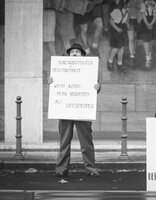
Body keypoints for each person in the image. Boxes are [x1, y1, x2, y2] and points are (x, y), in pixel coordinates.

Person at [49, 43, 101, 177]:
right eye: (72, 52)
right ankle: (62, 168)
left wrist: (97, 86)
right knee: (64, 141)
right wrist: (52, 81)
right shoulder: (62, 68)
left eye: (77, 51)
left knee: (86, 142)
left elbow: (96, 86)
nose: (75, 53)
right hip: (65, 110)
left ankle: (91, 168)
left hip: (82, 111)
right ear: (69, 54)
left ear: (82, 54)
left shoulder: (89, 69)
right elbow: (56, 85)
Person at [107, 0, 128, 72]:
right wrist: (117, 28)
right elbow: (111, 20)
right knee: (117, 47)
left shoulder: (123, 4)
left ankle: (120, 64)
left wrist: (127, 24)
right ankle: (110, 61)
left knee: (121, 47)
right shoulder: (113, 6)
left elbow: (124, 16)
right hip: (115, 28)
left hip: (122, 27)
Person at [137, 0, 156, 68]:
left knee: (151, 41)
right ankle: (147, 59)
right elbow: (143, 14)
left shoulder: (155, 3)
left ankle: (149, 54)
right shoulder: (143, 4)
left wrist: (151, 24)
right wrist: (147, 24)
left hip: (153, 22)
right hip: (144, 22)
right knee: (146, 41)